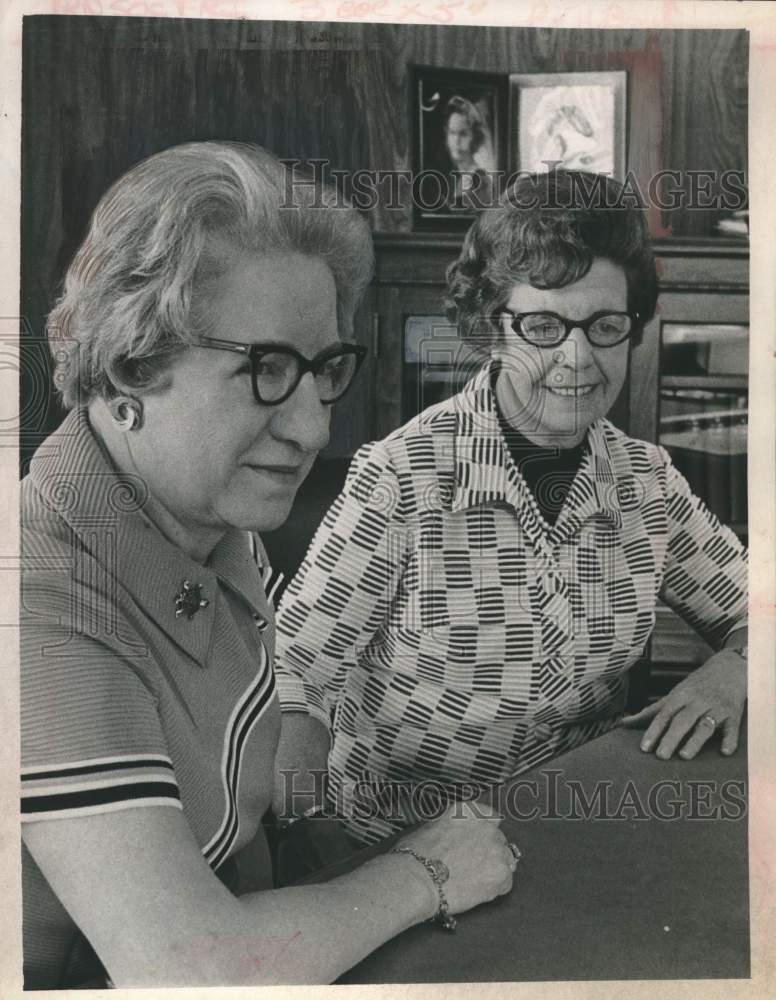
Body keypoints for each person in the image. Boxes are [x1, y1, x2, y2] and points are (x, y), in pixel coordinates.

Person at [20, 141, 518, 989]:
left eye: (322, 370)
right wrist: (427, 873)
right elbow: (190, 969)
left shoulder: (202, 515)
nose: (314, 429)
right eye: (267, 369)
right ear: (132, 362)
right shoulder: (37, 600)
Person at [274, 169, 748, 845]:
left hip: (575, 842)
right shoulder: (402, 479)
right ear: (490, 327)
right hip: (402, 851)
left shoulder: (648, 485)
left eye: (606, 325)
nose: (578, 358)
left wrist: (736, 669)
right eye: (544, 325)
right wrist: (301, 819)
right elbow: (293, 670)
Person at [442, 95, 496, 211]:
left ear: (475, 137)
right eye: (452, 133)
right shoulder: (453, 175)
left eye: (463, 134)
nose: (456, 141)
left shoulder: (480, 180)